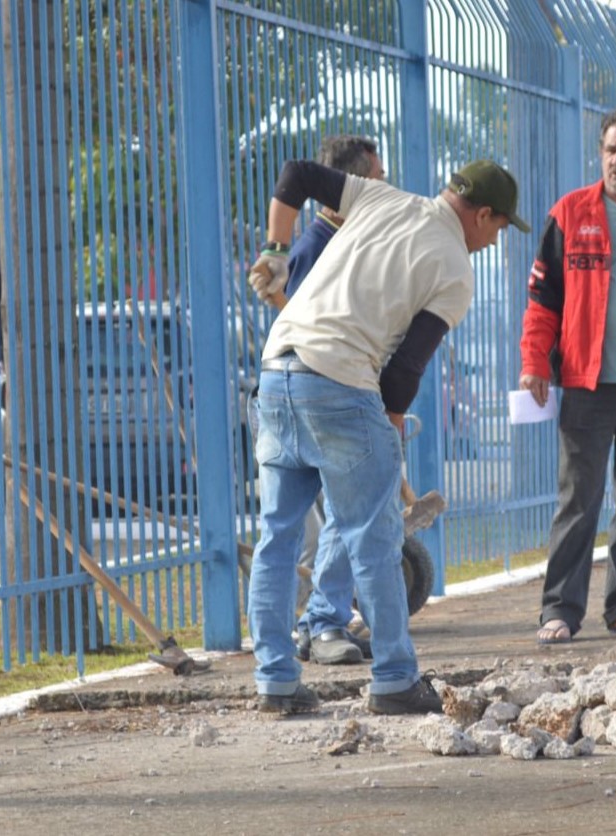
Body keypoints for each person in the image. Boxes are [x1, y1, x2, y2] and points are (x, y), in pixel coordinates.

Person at [246, 157, 529, 713]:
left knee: (277, 537)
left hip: (277, 373)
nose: (494, 242)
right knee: (373, 539)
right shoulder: (454, 268)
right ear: (483, 215)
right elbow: (404, 371)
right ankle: (396, 679)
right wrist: (390, 435)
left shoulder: (379, 197)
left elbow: (297, 176)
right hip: (341, 383)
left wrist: (276, 251)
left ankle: (275, 682)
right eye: (498, 229)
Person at [518, 106, 616, 645]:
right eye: (611, 150)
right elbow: (542, 300)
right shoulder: (570, 213)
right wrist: (535, 362)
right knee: (578, 499)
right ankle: (559, 608)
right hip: (588, 383)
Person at [251, 134, 389, 667]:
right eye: (374, 180)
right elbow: (305, 328)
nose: (382, 189)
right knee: (334, 517)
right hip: (316, 392)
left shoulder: (343, 240)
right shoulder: (319, 247)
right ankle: (323, 621)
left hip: (317, 389)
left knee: (294, 528)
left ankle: (284, 656)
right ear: (348, 188)